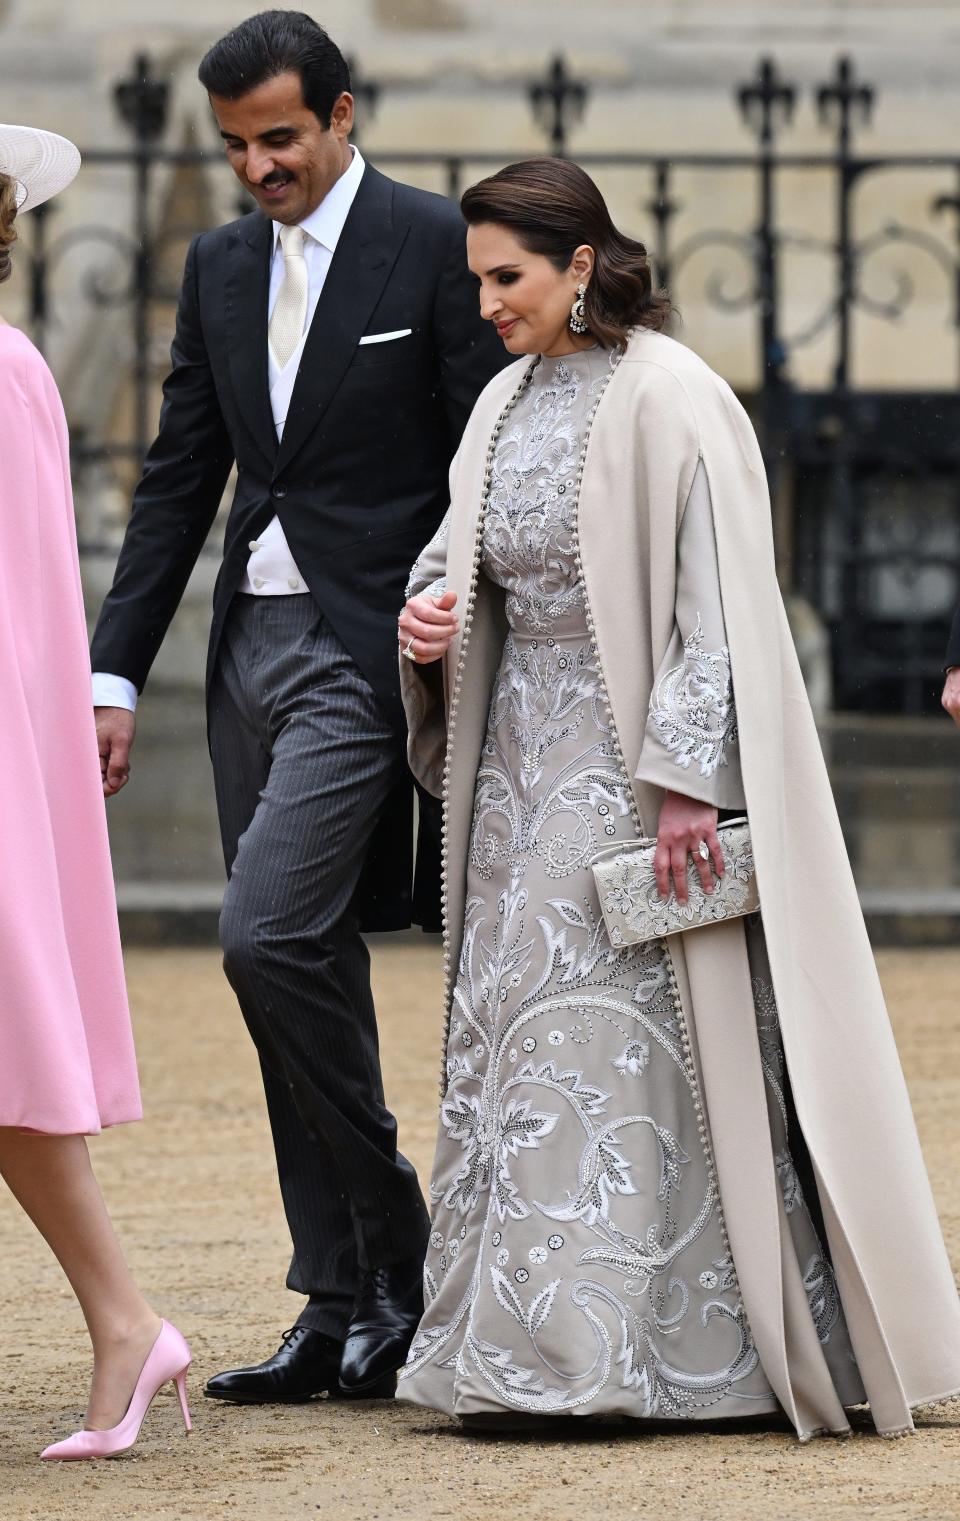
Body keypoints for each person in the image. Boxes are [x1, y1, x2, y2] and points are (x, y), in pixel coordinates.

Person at [396, 156, 960, 1436]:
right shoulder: (500, 405)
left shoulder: (677, 398)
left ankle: (633, 1352)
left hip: (630, 783)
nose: (487, 301)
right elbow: (453, 560)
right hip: (510, 783)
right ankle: (522, 1346)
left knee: (626, 1057)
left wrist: (688, 782)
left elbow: (719, 611)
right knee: (517, 1049)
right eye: (476, 278)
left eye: (509, 277)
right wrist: (424, 620)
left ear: (581, 265)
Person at [90, 10, 507, 1405]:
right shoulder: (216, 265)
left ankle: (396, 1246)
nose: (258, 167)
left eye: (279, 137)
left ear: (339, 113)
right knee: (301, 966)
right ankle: (343, 1303)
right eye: (234, 147)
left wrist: (458, 614)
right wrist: (113, 671)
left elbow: (484, 451)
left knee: (261, 934)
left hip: (366, 647)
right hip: (242, 652)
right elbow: (176, 477)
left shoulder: (430, 242)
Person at [0, 124, 191, 1462]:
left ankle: (127, 1322)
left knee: (14, 1065)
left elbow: (23, 605)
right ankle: (128, 1324)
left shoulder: (5, 370)